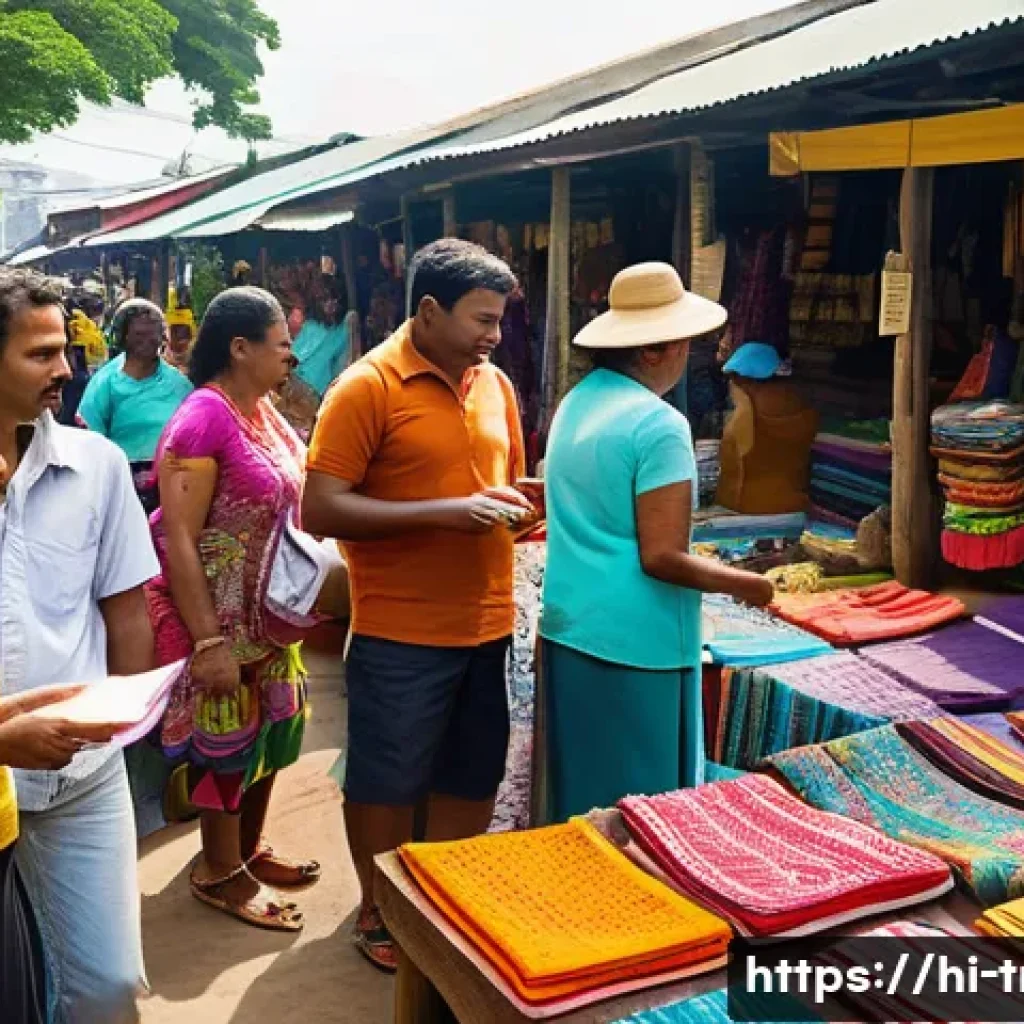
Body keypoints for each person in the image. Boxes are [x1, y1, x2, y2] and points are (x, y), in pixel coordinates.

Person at [303, 239, 534, 970]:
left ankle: (447, 894)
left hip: (486, 619)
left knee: (472, 769)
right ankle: (378, 911)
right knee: (387, 778)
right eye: (482, 319)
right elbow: (321, 507)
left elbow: (507, 483)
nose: (494, 335)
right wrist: (444, 512)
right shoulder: (367, 387)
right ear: (429, 311)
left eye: (500, 320)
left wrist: (518, 511)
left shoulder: (494, 385)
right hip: (399, 626)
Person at [540, 263, 774, 823]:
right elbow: (662, 556)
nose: (687, 354)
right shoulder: (659, 424)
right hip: (637, 642)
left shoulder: (578, 401)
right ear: (654, 349)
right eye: (683, 343)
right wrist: (750, 584)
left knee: (585, 804)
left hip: (571, 627)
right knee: (644, 815)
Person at [0, 268, 158, 1023]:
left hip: (81, 778)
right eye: (40, 355)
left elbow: (127, 613)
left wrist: (119, 726)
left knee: (107, 987)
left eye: (64, 349)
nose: (66, 369)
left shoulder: (95, 469)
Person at [146, 287, 328, 934]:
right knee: (222, 747)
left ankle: (245, 851)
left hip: (267, 622)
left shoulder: (265, 412)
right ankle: (217, 870)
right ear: (240, 347)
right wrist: (205, 642)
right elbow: (177, 539)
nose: (293, 356)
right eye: (282, 344)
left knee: (273, 735)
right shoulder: (202, 419)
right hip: (217, 623)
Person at [78, 299, 193, 515]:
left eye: (153, 334)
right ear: (123, 337)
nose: (148, 341)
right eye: (139, 334)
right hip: (120, 482)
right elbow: (90, 439)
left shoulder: (179, 384)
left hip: (171, 484)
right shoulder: (105, 383)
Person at [715, 341, 818, 514]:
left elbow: (740, 451)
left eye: (734, 378)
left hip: (747, 510)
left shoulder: (749, 408)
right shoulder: (801, 406)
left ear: (745, 379)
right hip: (794, 507)